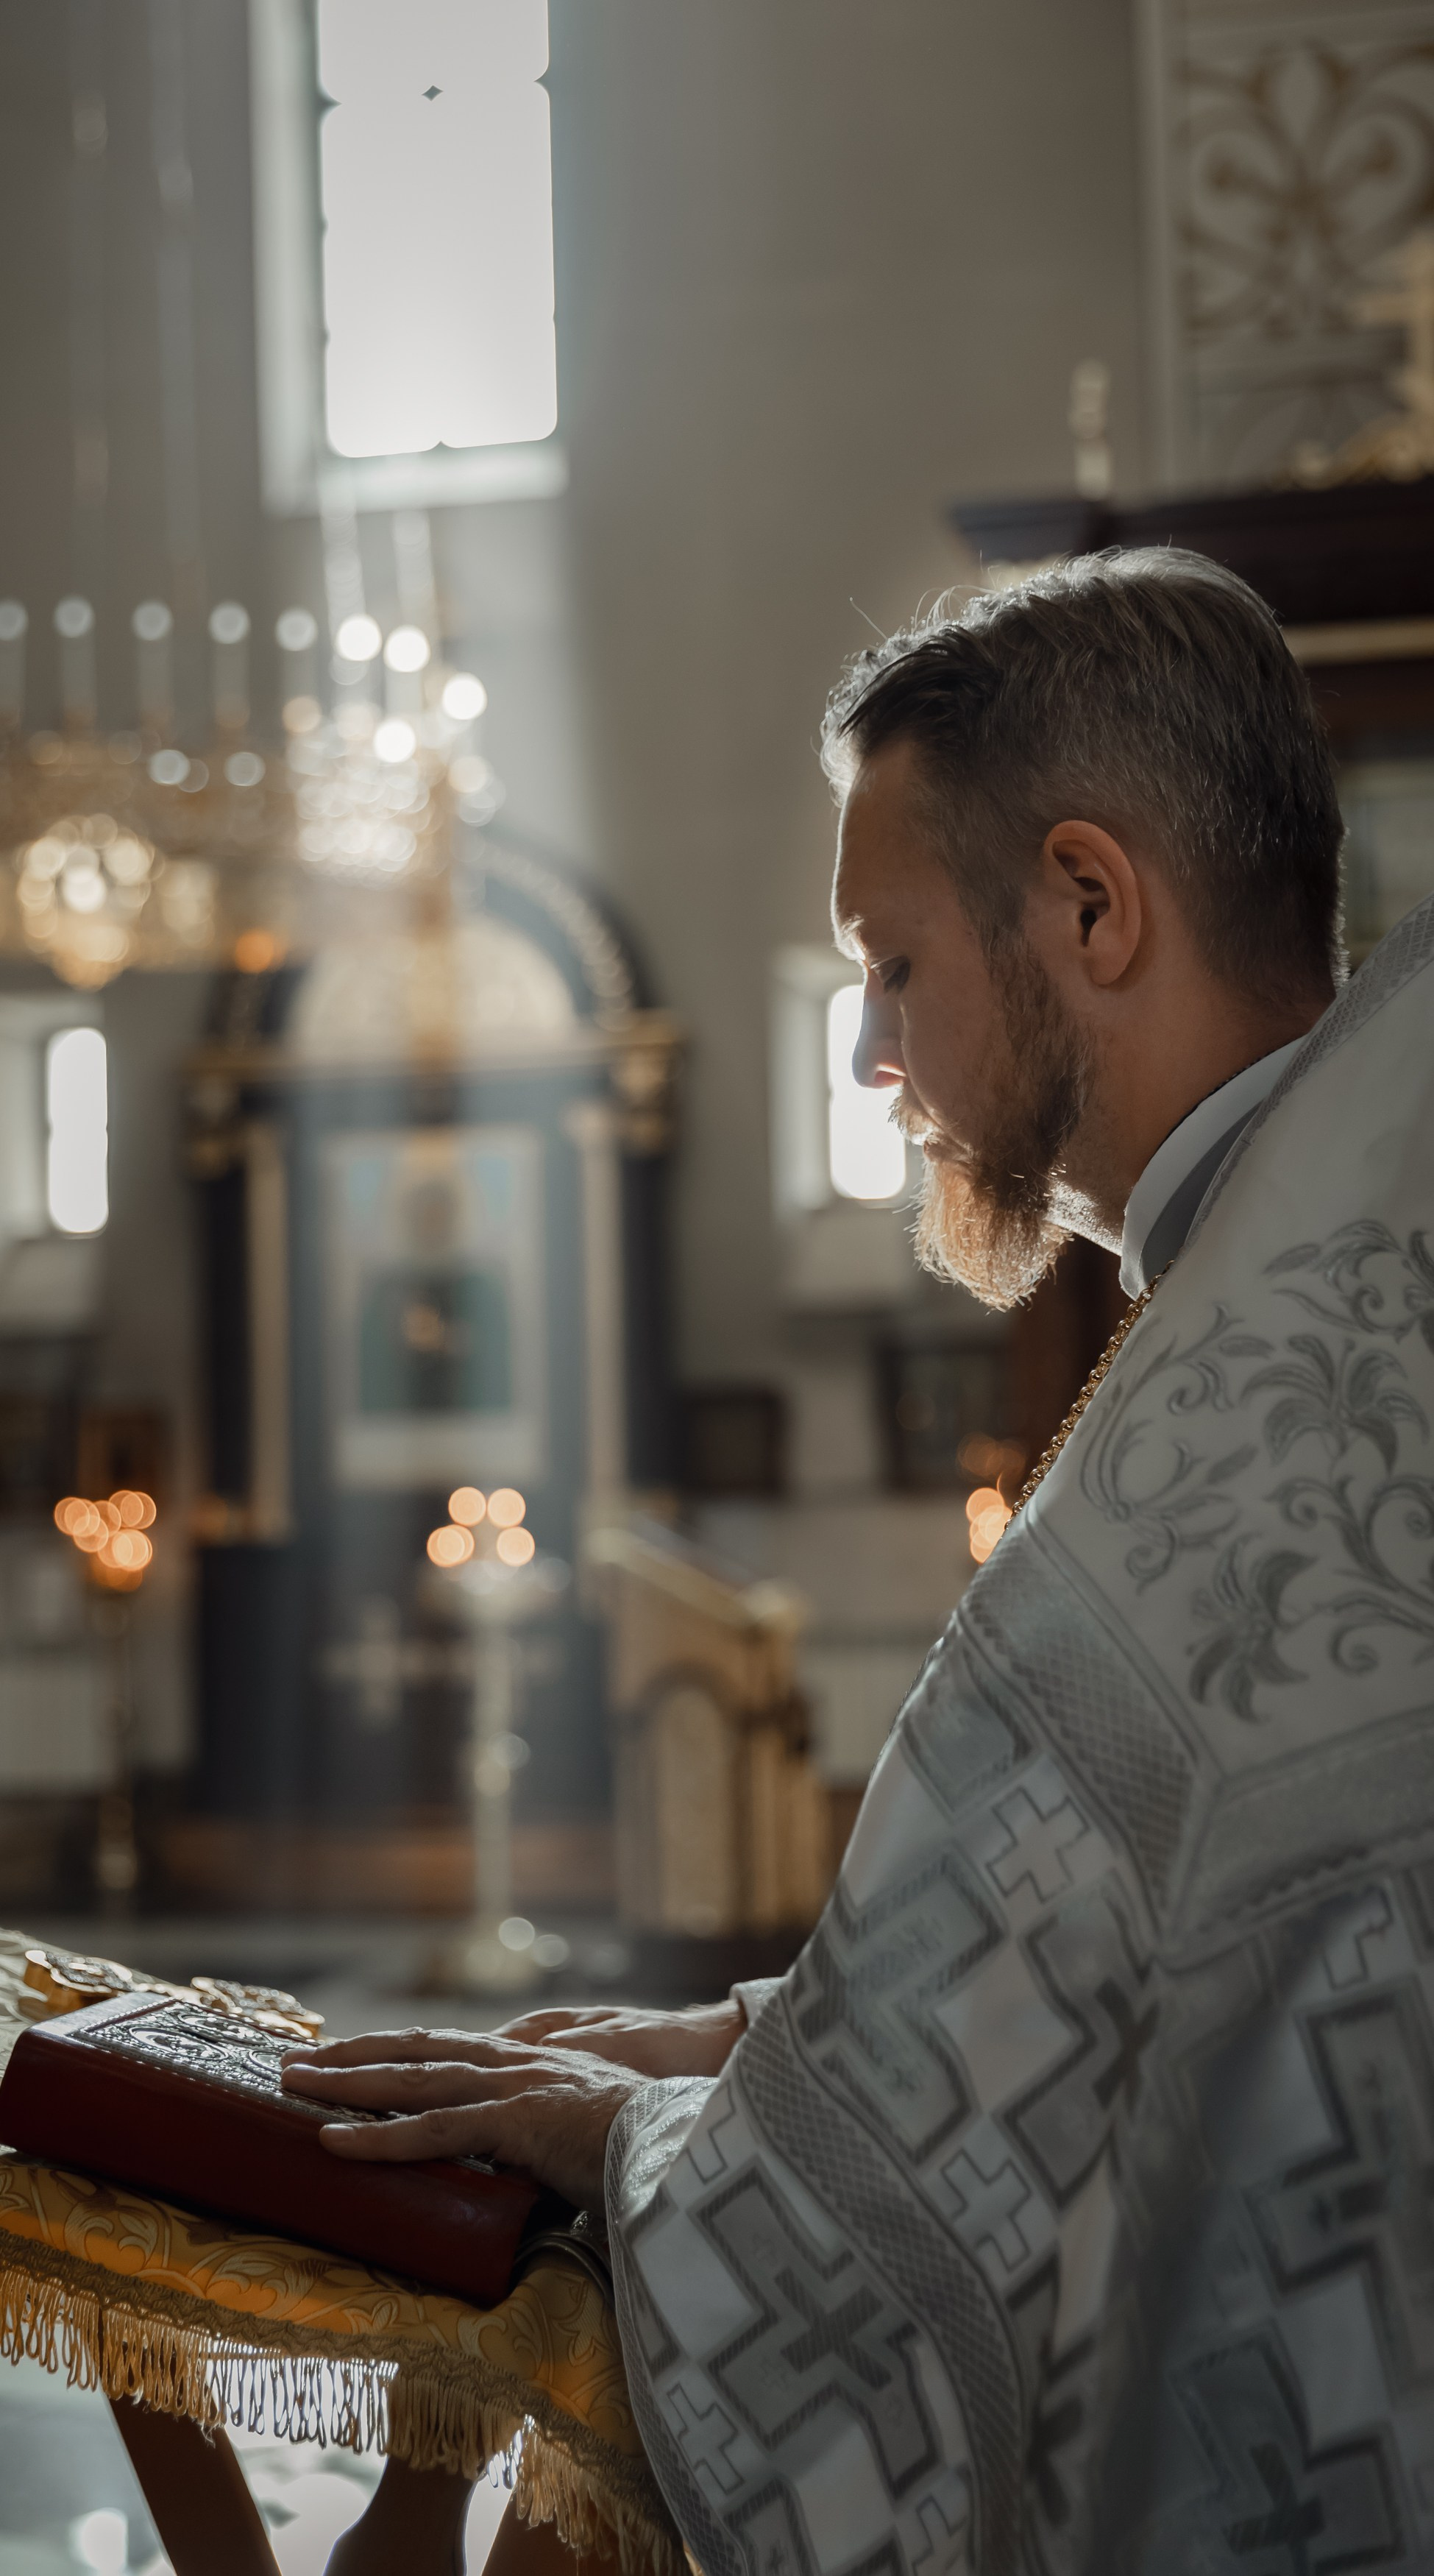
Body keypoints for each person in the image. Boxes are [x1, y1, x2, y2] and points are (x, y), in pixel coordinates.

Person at [288, 548, 1434, 2573]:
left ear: (1091, 902)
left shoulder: (1245, 1408)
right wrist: (753, 2042)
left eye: (892, 964)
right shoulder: (1330, 1276)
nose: (872, 1058)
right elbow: (1191, 1948)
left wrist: (658, 2149)